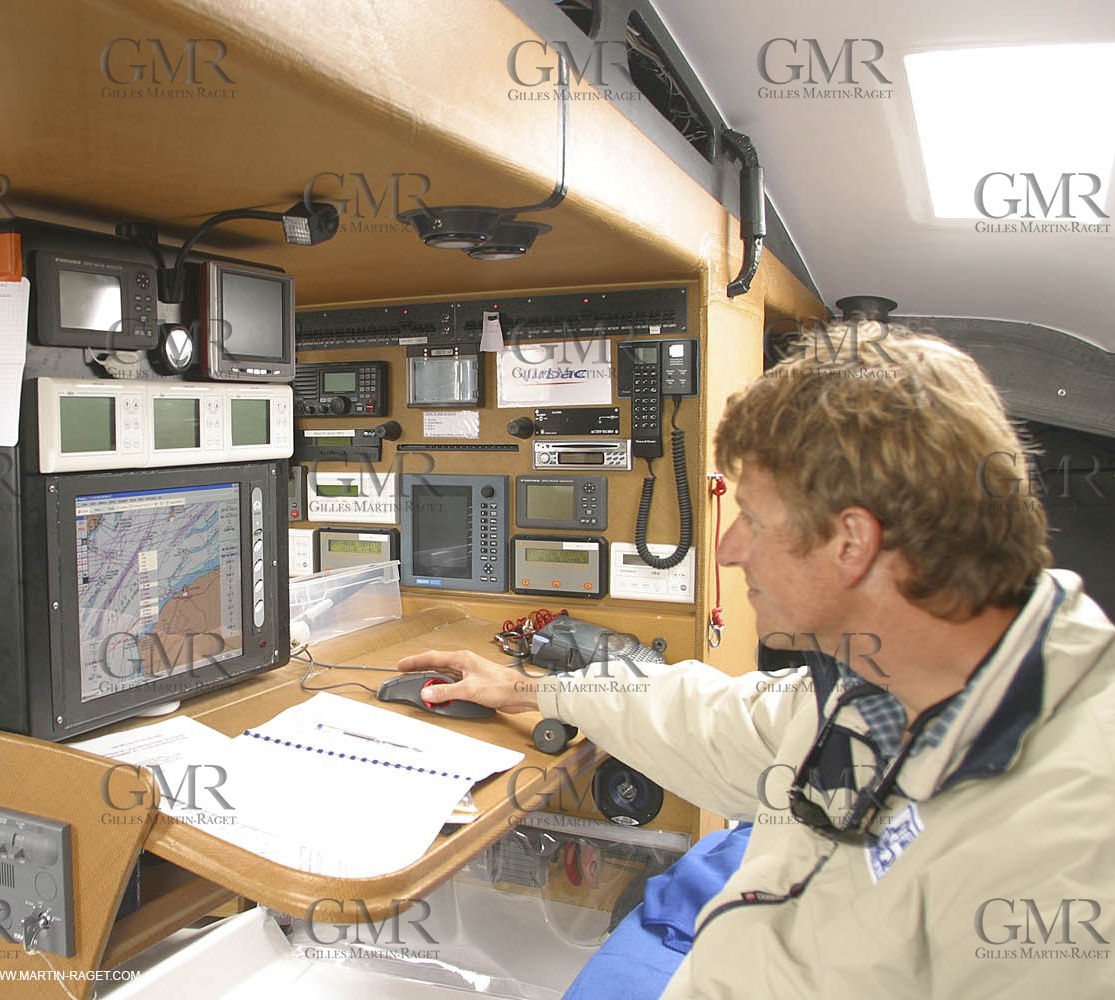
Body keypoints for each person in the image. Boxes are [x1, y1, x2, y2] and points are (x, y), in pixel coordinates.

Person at [399, 324, 1115, 997]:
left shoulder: (1071, 846)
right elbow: (710, 717)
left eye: (754, 519)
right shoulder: (878, 686)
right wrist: (527, 689)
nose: (728, 548)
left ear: (852, 542)